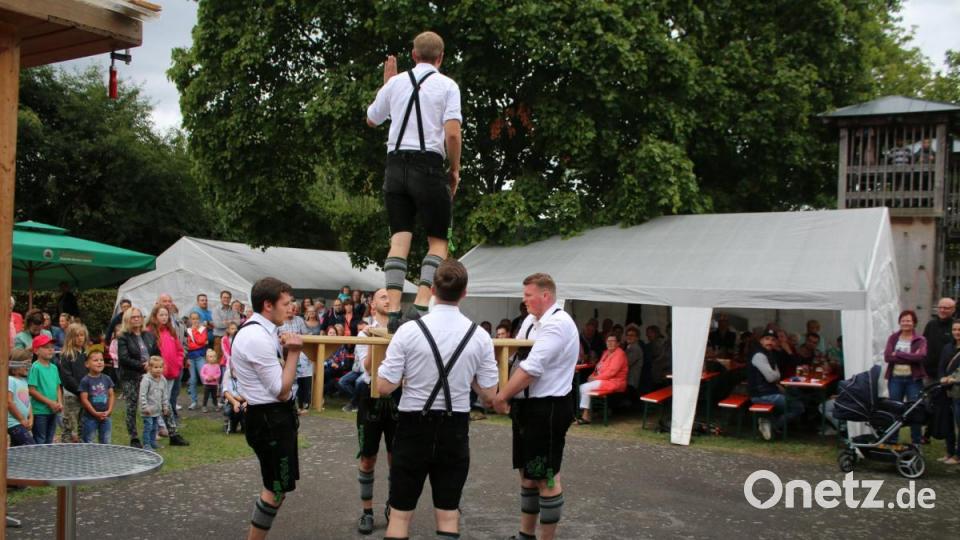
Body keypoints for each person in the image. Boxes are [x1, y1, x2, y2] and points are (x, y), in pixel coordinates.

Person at [377, 260, 498, 539]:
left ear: (432, 289)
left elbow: (384, 387)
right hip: (454, 428)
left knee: (399, 514)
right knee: (447, 514)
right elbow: (489, 395)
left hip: (412, 425)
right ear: (465, 292)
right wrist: (467, 376)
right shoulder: (479, 336)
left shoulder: (408, 331)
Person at [366, 31, 462, 333]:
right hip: (428, 165)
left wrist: (387, 85)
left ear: (413, 54)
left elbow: (372, 118)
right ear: (441, 57)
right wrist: (455, 169)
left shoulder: (395, 83)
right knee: (438, 241)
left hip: (395, 167)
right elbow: (452, 134)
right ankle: (420, 307)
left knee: (399, 239)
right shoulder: (447, 85)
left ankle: (393, 310)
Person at [493, 273, 578, 540]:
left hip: (548, 409)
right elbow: (516, 355)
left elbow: (531, 368)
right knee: (528, 475)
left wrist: (500, 396)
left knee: (546, 477)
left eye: (528, 295)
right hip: (527, 408)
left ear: (546, 296)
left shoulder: (558, 323)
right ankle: (525, 535)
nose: (524, 300)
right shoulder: (531, 321)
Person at [231, 277, 303, 539]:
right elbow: (281, 390)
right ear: (267, 305)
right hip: (269, 419)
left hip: (274, 418)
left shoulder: (264, 331)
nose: (291, 308)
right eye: (286, 303)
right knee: (274, 489)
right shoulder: (255, 336)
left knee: (279, 488)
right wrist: (294, 352)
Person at [351, 288, 397, 535]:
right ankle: (367, 512)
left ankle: (392, 506)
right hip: (370, 396)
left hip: (397, 398)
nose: (388, 299)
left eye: (390, 296)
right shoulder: (363, 331)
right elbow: (367, 367)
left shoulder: (404, 329)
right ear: (372, 306)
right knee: (368, 458)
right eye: (383, 297)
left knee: (395, 458)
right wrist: (373, 339)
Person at [748, 329, 805, 441]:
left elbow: (776, 375)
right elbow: (772, 377)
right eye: (767, 339)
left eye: (773, 340)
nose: (770, 342)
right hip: (761, 395)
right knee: (798, 407)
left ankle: (770, 423)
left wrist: (775, 375)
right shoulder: (759, 355)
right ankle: (773, 426)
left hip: (768, 392)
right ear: (761, 341)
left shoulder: (769, 354)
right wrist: (775, 375)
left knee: (797, 397)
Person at [883, 310, 928, 445]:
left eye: (909, 320)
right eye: (903, 320)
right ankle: (892, 440)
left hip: (913, 380)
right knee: (894, 410)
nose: (906, 323)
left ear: (914, 323)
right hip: (895, 379)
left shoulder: (920, 339)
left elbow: (921, 357)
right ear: (899, 322)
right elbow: (887, 357)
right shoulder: (893, 338)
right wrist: (909, 357)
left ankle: (916, 442)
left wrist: (898, 354)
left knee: (915, 410)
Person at [923, 297, 955, 443]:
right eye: (941, 307)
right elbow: (923, 344)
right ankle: (927, 434)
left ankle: (943, 436)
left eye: (946, 308)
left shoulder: (955, 327)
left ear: (953, 310)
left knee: (944, 408)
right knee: (928, 404)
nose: (942, 310)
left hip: (948, 377)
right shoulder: (931, 325)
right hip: (929, 374)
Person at [577, 334, 628, 424]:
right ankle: (587, 413)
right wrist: (592, 375)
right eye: (608, 341)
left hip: (614, 382)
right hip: (604, 380)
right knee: (582, 387)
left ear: (618, 343)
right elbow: (598, 367)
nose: (610, 343)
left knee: (584, 388)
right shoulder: (606, 353)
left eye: (613, 341)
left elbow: (612, 372)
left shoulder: (620, 354)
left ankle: (585, 416)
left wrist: (595, 378)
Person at [148, 305, 184, 428]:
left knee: (166, 398)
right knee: (157, 399)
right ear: (155, 316)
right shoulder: (150, 332)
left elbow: (179, 350)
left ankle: (166, 424)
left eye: (166, 315)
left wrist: (178, 363)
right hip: (158, 372)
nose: (164, 317)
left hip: (172, 371)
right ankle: (159, 424)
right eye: (161, 315)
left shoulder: (171, 331)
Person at [28, 334, 63, 444]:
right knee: (40, 440)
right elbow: (32, 390)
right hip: (39, 412)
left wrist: (59, 403)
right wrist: (49, 403)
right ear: (36, 351)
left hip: (53, 410)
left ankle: (47, 461)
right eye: (46, 347)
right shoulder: (35, 367)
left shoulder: (54, 367)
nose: (50, 350)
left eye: (52, 347)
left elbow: (58, 387)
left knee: (49, 440)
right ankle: (38, 461)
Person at [57, 322, 88, 443]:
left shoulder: (86, 354)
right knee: (69, 424)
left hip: (85, 395)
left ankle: (82, 447)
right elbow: (67, 377)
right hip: (72, 395)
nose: (80, 338)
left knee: (84, 423)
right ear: (70, 337)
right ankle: (65, 448)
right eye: (77, 335)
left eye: (82, 335)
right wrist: (79, 390)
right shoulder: (66, 355)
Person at [79, 350, 115, 444]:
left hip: (106, 416)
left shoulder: (107, 378)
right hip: (90, 418)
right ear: (87, 364)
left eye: (101, 360)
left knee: (106, 440)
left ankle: (104, 458)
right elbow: (84, 399)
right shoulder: (85, 380)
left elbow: (111, 395)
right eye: (95, 360)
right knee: (89, 441)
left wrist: (109, 411)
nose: (99, 362)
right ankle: (90, 458)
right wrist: (95, 413)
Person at [939, 320, 960, 464]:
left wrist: (952, 379)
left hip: (958, 390)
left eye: (959, 330)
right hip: (946, 390)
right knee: (948, 422)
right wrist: (942, 378)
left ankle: (958, 456)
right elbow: (941, 366)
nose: (957, 332)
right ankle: (949, 452)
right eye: (955, 329)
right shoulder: (947, 347)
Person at [139, 356, 169, 451]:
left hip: (157, 409)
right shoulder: (146, 380)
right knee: (148, 426)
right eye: (155, 367)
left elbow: (164, 394)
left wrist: (165, 406)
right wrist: (145, 407)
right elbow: (142, 395)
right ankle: (146, 444)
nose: (158, 370)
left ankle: (153, 442)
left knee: (154, 427)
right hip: (147, 410)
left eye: (160, 367)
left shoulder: (163, 380)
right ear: (150, 368)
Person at [7, 349, 36, 447]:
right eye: (26, 364)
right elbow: (9, 402)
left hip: (22, 421)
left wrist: (31, 417)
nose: (28, 367)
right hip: (13, 423)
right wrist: (21, 419)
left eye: (29, 364)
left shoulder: (24, 381)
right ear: (15, 365)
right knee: (30, 446)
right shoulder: (10, 380)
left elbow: (27, 401)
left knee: (17, 450)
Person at [186, 311, 209, 410]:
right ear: (190, 320)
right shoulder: (187, 331)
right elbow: (188, 345)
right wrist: (197, 344)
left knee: (205, 378)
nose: (195, 321)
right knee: (192, 380)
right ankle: (193, 401)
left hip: (200, 356)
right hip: (190, 357)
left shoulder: (203, 329)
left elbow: (201, 341)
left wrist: (195, 332)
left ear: (199, 319)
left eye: (196, 318)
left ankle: (207, 401)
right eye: (193, 319)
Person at [213, 290, 242, 359]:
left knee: (232, 358)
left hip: (231, 338)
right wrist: (232, 322)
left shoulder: (234, 310)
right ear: (221, 298)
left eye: (228, 298)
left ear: (230, 299)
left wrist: (226, 322)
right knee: (218, 359)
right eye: (224, 297)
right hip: (219, 338)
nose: (226, 299)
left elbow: (238, 322)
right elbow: (217, 324)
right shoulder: (216, 310)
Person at [222, 369, 247, 434]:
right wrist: (235, 402)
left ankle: (244, 426)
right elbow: (225, 391)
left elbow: (253, 391)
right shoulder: (227, 373)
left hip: (247, 400)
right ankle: (229, 425)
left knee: (245, 410)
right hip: (232, 399)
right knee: (230, 410)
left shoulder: (247, 372)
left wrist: (247, 402)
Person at [623, 324, 644, 397]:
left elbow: (626, 363)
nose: (629, 337)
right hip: (628, 380)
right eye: (628, 335)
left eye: (632, 335)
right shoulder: (629, 347)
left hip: (631, 381)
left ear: (637, 338)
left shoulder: (635, 348)